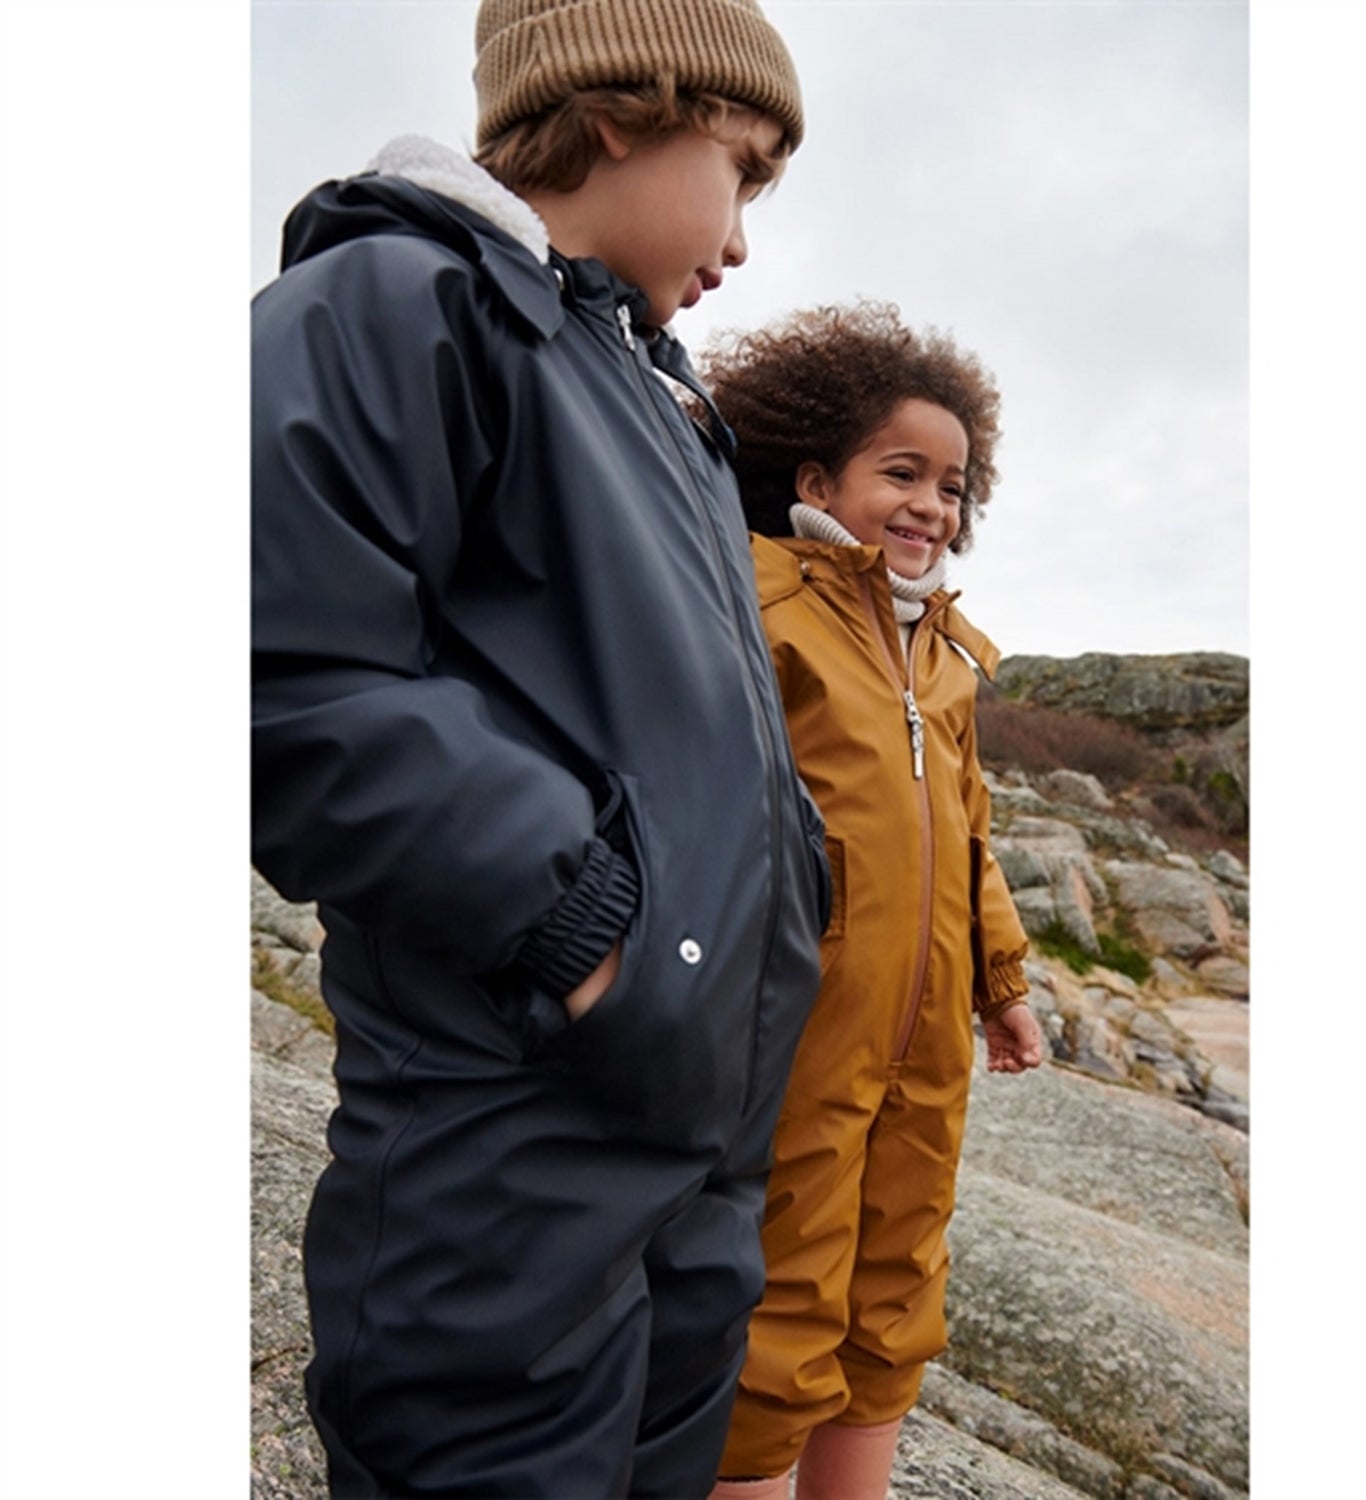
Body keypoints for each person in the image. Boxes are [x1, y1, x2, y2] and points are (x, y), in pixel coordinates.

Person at [251, 3, 829, 1495]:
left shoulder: (659, 398)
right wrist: (584, 929)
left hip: (697, 1147)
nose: (742, 241)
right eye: (743, 172)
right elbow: (279, 669)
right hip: (504, 1145)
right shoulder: (395, 299)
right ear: (623, 109)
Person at [697, 302, 1047, 1500]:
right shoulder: (762, 602)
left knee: (897, 1290)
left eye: (953, 488)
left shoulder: (946, 656)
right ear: (815, 481)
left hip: (928, 1031)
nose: (930, 506)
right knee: (784, 1289)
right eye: (901, 474)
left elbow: (970, 834)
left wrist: (1001, 981)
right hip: (804, 1021)